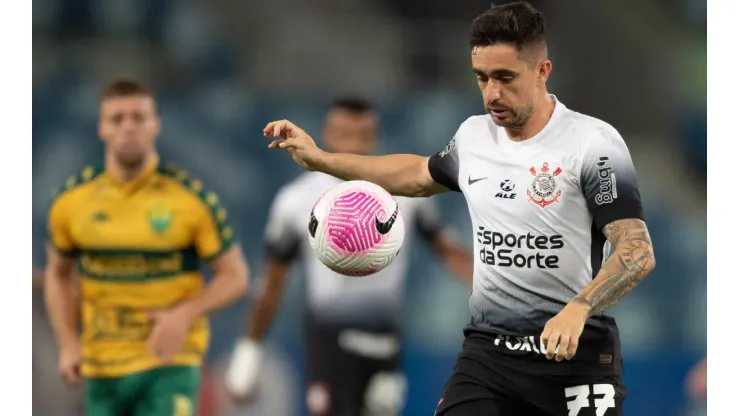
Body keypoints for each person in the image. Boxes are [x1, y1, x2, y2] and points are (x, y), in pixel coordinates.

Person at [258, 3, 657, 415]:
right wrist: (322, 159)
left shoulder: (592, 145)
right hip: (488, 358)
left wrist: (580, 307)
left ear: (542, 71)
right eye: (481, 78)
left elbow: (637, 252)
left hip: (573, 359)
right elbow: (414, 174)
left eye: (505, 77)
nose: (491, 94)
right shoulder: (473, 137)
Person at [225, 97, 473, 416]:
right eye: (345, 133)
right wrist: (250, 349)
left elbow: (449, 251)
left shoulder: (407, 195)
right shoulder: (296, 200)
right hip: (327, 337)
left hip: (384, 336)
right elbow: (272, 282)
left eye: (363, 134)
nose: (354, 143)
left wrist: (492, 291)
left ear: (376, 137)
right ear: (327, 134)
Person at [44, 78, 250, 416]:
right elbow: (57, 275)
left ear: (155, 125)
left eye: (138, 118)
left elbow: (236, 276)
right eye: (117, 119)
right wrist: (67, 343)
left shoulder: (192, 200)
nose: (128, 127)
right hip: (102, 368)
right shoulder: (70, 202)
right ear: (102, 129)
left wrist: (184, 314)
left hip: (169, 363)